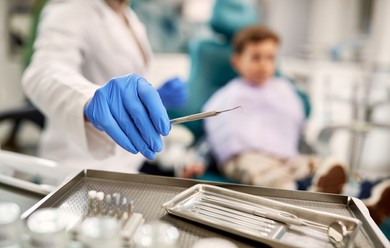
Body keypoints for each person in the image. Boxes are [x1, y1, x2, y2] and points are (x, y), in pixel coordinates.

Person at [22, 0, 188, 173]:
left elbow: (125, 74)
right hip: (79, 166)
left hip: (128, 161)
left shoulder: (128, 15)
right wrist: (89, 99)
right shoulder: (70, 10)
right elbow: (42, 71)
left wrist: (150, 96)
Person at [202, 25, 347, 193]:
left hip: (283, 157)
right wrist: (200, 160)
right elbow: (214, 133)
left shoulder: (284, 90)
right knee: (266, 173)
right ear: (237, 61)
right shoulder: (229, 95)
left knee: (310, 164)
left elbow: (293, 129)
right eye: (256, 58)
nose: (264, 65)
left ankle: (327, 185)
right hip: (243, 157)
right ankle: (296, 193)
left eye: (270, 58)